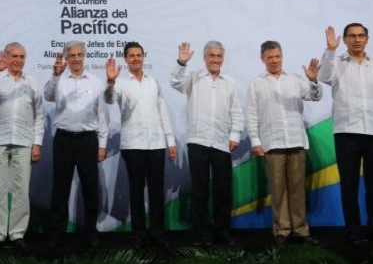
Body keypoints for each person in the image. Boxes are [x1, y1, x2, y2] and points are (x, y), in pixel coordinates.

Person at [318, 24, 373, 246]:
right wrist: (330, 50)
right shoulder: (336, 63)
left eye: (361, 35)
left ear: (367, 38)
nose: (357, 39)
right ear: (344, 40)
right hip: (346, 133)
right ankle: (354, 232)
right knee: (350, 184)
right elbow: (323, 77)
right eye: (352, 36)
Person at [246, 40, 321, 246]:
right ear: (262, 59)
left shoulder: (295, 80)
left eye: (277, 56)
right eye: (269, 57)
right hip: (271, 143)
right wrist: (255, 140)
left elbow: (316, 97)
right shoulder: (256, 84)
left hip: (296, 141)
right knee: (278, 190)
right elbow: (251, 115)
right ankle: (282, 230)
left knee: (298, 189)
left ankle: (301, 230)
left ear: (282, 56)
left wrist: (313, 81)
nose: (274, 60)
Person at [170, 41, 243, 246]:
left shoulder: (229, 82)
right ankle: (202, 234)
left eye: (219, 56)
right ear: (204, 58)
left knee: (223, 191)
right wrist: (181, 63)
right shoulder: (193, 77)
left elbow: (236, 110)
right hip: (198, 142)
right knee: (200, 191)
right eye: (212, 56)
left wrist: (235, 135)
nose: (216, 60)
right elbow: (175, 82)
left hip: (221, 143)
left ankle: (222, 232)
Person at [104, 41, 177, 247]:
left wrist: (170, 140)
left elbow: (162, 112)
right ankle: (138, 233)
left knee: (156, 190)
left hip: (156, 144)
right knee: (136, 191)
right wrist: (110, 82)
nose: (136, 58)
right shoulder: (119, 83)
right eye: (132, 55)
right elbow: (110, 100)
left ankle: (157, 232)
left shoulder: (153, 82)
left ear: (143, 57)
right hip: (133, 145)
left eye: (139, 55)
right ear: (126, 59)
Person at [0, 42, 44, 249]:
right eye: (13, 56)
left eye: (21, 57)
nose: (18, 60)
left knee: (21, 190)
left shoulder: (32, 82)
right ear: (5, 57)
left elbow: (39, 116)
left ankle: (16, 234)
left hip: (24, 141)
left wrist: (37, 144)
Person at [44, 41, 109, 248]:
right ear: (67, 58)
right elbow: (47, 95)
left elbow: (102, 116)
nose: (76, 58)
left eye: (79, 54)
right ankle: (56, 234)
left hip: (88, 141)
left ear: (84, 56)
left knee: (90, 189)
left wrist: (102, 145)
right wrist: (55, 75)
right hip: (63, 140)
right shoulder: (59, 81)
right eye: (71, 55)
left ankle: (90, 232)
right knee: (59, 190)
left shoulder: (96, 82)